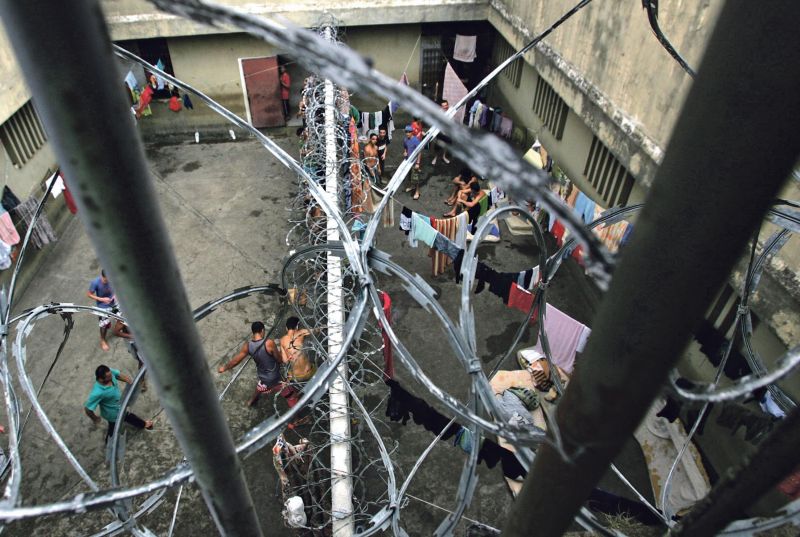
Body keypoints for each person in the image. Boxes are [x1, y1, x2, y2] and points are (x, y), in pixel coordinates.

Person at [219, 321, 295, 407]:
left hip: (262, 376)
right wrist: (283, 352)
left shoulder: (248, 346)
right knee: (291, 395)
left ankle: (250, 402)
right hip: (274, 377)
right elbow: (279, 360)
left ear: (253, 331)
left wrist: (224, 368)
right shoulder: (268, 343)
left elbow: (235, 361)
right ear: (262, 330)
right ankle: (296, 414)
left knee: (263, 384)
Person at [84, 365, 152, 443]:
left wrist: (127, 380)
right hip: (113, 414)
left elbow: (117, 375)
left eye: (111, 374)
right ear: (100, 379)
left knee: (125, 419)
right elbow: (88, 409)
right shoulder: (97, 393)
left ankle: (142, 424)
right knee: (117, 425)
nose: (111, 377)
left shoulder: (109, 372)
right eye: (109, 377)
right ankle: (109, 442)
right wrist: (95, 419)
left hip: (120, 405)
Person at [279, 317, 322, 385]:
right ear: (297, 326)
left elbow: (285, 361)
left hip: (297, 377)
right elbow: (316, 330)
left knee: (288, 375)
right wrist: (323, 327)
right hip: (309, 372)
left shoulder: (282, 340)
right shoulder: (301, 332)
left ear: (286, 328)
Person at [87, 270, 118, 351]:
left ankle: (119, 330)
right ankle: (103, 340)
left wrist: (115, 295)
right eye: (105, 280)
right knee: (103, 325)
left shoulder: (112, 277)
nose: (107, 281)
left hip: (114, 301)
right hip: (102, 306)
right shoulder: (95, 283)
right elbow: (89, 294)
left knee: (120, 316)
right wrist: (102, 299)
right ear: (102, 276)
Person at [402, 125, 423, 200]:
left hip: (414, 162)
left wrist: (418, 163)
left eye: (409, 132)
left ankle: (417, 192)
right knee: (410, 176)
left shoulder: (416, 140)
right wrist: (405, 152)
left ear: (412, 132)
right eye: (406, 132)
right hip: (408, 161)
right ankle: (412, 186)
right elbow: (405, 147)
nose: (407, 133)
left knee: (415, 178)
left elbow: (419, 152)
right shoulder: (405, 139)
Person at [431, 100, 451, 165]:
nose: (445, 107)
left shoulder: (450, 112)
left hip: (447, 131)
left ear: (448, 105)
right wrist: (442, 132)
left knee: (446, 145)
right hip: (439, 132)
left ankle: (443, 157)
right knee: (438, 145)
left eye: (446, 105)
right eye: (443, 106)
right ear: (441, 107)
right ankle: (435, 158)